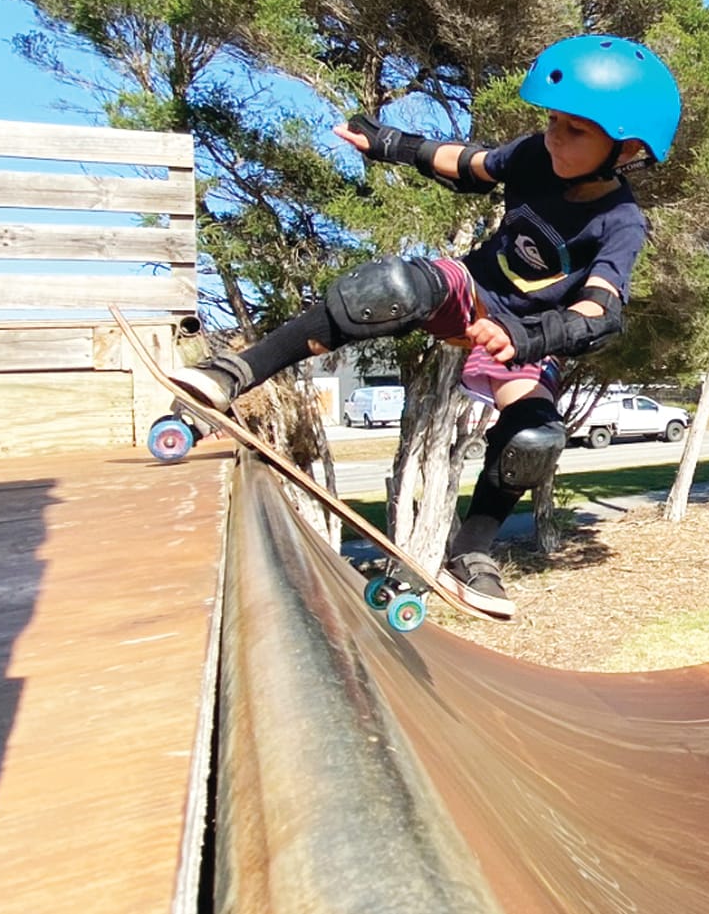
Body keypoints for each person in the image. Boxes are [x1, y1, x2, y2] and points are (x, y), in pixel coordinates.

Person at [170, 34, 682, 618]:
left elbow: (601, 311)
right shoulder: (537, 156)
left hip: (530, 336)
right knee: (390, 289)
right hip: (473, 294)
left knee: (535, 438)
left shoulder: (621, 222)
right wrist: (388, 143)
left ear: (627, 148)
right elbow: (468, 164)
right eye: (552, 120)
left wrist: (526, 339)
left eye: (576, 130)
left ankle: (469, 557)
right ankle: (230, 375)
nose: (553, 137)